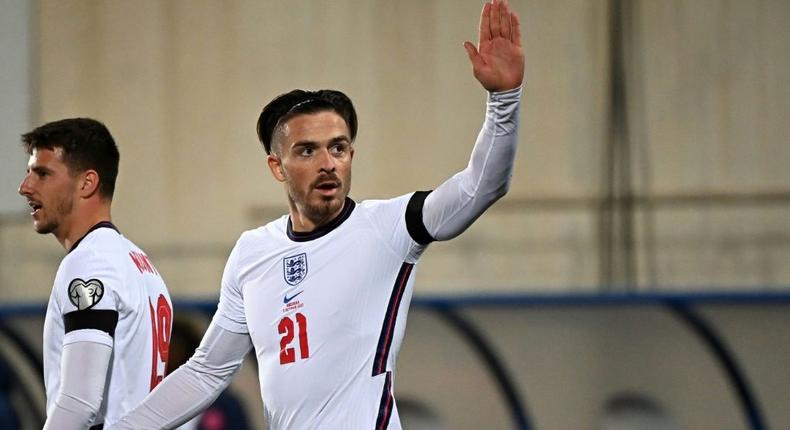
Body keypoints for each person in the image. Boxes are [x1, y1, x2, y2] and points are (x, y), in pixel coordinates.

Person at [112, 0, 523, 428]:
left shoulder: (388, 227)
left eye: (338, 147)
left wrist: (504, 99)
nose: (328, 162)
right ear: (277, 167)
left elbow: (482, 185)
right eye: (307, 150)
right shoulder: (252, 252)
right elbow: (205, 373)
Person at [18, 118, 173, 429]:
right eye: (28, 173)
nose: (25, 187)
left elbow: (79, 403)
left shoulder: (90, 262)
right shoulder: (140, 263)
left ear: (87, 183)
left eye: (43, 174)